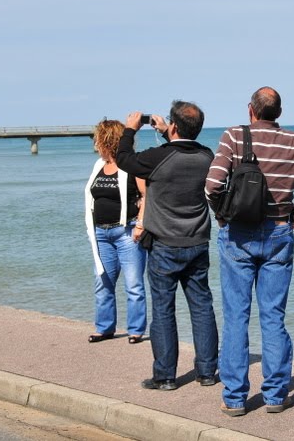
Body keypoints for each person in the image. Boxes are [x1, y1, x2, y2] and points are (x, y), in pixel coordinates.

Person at [205, 87, 294, 416]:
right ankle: (276, 395)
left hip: (238, 234)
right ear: (278, 113)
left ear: (251, 110)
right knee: (273, 317)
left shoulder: (234, 137)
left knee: (236, 317)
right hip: (280, 231)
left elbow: (211, 186)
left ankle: (235, 398)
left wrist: (223, 216)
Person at [116, 101, 219, 391]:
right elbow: (180, 150)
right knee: (202, 307)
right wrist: (166, 133)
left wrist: (130, 129)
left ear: (173, 126)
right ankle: (207, 372)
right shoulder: (206, 156)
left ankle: (165, 376)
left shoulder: (157, 158)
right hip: (197, 241)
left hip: (163, 244)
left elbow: (124, 159)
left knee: (163, 309)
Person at [85, 119, 148, 344]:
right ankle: (104, 327)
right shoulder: (98, 166)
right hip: (100, 233)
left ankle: (135, 330)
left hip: (127, 232)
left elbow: (146, 194)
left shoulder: (131, 164)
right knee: (103, 281)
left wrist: (141, 224)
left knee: (133, 284)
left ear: (106, 140)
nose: (95, 144)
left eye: (97, 139)